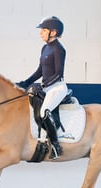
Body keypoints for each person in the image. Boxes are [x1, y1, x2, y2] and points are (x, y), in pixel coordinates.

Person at [17, 16, 68, 160]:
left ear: (53, 32)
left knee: (44, 111)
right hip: (47, 87)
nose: (41, 33)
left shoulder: (59, 49)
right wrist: (26, 82)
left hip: (57, 87)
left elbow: (58, 73)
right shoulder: (45, 48)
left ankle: (56, 146)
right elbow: (40, 70)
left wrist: (43, 85)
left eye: (44, 30)